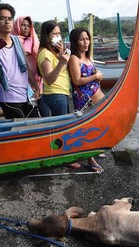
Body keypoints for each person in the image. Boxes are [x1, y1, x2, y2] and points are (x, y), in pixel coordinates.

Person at [0, 3, 41, 119]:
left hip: (27, 94)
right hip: (9, 97)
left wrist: (35, 86)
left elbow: (24, 66)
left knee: (34, 127)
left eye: (10, 19)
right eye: (2, 18)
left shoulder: (17, 41)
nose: (7, 22)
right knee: (19, 131)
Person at [37, 20, 81, 169]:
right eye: (54, 34)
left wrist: (62, 56)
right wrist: (62, 62)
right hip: (54, 94)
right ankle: (65, 159)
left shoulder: (53, 52)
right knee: (62, 128)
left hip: (61, 93)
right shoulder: (44, 53)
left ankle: (61, 156)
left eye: (59, 33)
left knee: (63, 126)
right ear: (46, 36)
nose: (58, 36)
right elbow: (49, 79)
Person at [68, 27, 106, 173]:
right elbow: (77, 80)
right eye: (82, 39)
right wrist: (95, 76)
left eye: (87, 39)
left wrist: (97, 75)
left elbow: (92, 76)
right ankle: (90, 160)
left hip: (97, 95)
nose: (86, 42)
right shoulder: (74, 59)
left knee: (99, 125)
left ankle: (95, 150)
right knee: (87, 129)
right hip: (84, 100)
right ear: (75, 41)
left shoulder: (88, 58)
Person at [12, 16, 49, 117]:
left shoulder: (34, 40)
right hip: (23, 82)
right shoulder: (13, 41)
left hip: (39, 80)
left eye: (28, 25)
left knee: (44, 111)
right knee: (32, 113)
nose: (26, 28)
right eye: (23, 25)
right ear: (17, 26)